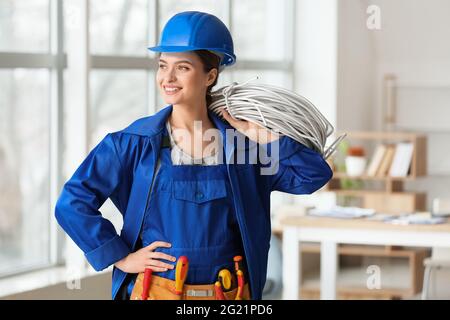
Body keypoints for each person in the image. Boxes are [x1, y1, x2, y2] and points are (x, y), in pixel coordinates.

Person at [55, 11, 332, 300]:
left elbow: (312, 177)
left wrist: (262, 135)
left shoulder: (246, 149)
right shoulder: (133, 144)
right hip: (154, 291)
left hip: (230, 293)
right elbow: (72, 202)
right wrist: (121, 257)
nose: (168, 78)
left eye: (182, 68)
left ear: (209, 76)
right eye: (163, 66)